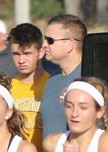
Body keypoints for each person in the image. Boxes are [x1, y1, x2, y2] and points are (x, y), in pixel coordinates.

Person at [40, 15, 86, 143]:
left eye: (50, 40)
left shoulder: (89, 79)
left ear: (70, 44)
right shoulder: (51, 81)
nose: (44, 45)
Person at [9, 22, 50, 152]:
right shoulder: (7, 88)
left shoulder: (53, 85)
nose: (21, 60)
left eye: (27, 53)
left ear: (41, 52)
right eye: (16, 54)